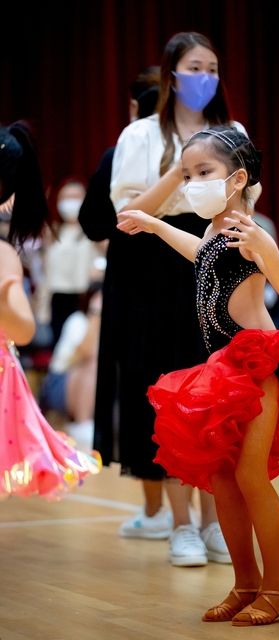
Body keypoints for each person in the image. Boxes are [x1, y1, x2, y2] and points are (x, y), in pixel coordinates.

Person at [117, 125, 279, 626]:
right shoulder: (216, 231)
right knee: (222, 477)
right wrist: (155, 225)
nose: (193, 183)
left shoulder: (247, 229)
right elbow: (202, 256)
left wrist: (269, 250)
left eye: (204, 172)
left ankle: (278, 587)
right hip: (222, 368)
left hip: (257, 364)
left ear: (237, 179)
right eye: (188, 174)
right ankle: (245, 584)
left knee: (249, 474)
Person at [85, 33, 260, 566]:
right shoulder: (139, 134)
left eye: (212, 67)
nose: (205, 77)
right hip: (154, 271)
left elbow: (248, 201)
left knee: (216, 393)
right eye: (194, 67)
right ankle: (180, 524)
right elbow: (125, 216)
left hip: (215, 261)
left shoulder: (233, 132)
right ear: (171, 75)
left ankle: (214, 521)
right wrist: (183, 168)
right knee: (171, 392)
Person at [0, 121, 100, 500]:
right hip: (52, 303)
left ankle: (82, 416)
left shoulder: (5, 253)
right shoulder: (32, 243)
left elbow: (22, 329)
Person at [38, 283, 103, 449]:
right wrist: (96, 314)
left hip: (93, 385)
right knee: (94, 363)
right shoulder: (78, 321)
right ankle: (82, 423)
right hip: (60, 383)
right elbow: (85, 352)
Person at [44, 176, 104, 347]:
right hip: (57, 295)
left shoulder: (94, 229)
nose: (70, 203)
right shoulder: (53, 231)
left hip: (83, 295)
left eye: (76, 197)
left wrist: (99, 268)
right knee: (58, 344)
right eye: (66, 197)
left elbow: (107, 257)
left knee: (79, 343)